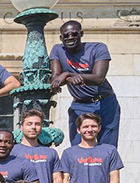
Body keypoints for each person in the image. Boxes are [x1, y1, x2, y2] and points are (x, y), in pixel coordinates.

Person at [48, 19, 120, 147]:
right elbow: (56, 80)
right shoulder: (57, 50)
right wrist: (65, 76)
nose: (70, 37)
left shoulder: (98, 48)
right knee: (77, 147)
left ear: (81, 34)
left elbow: (98, 78)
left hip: (104, 102)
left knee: (108, 149)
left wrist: (69, 74)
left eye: (74, 34)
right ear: (61, 37)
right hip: (80, 104)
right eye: (66, 35)